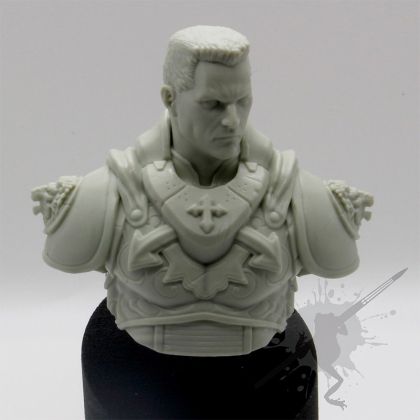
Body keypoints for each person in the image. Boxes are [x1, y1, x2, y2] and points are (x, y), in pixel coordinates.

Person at [32, 25, 373, 357]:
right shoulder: (108, 190)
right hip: (141, 376)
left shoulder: (299, 193)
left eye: (243, 101)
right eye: (213, 104)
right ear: (170, 99)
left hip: (261, 377)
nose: (233, 121)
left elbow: (334, 258)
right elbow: (70, 252)